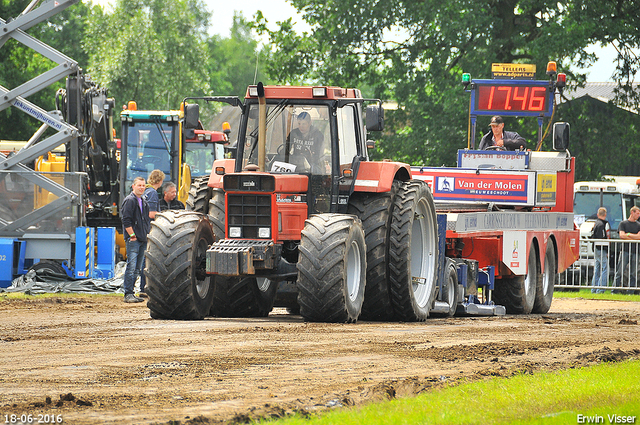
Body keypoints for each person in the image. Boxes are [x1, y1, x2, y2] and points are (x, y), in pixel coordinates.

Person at [120, 177, 151, 303]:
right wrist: (132, 235)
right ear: (133, 186)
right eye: (139, 185)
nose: (142, 187)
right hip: (134, 239)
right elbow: (125, 220)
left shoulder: (143, 201)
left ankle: (132, 292)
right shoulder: (130, 200)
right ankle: (128, 293)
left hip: (142, 238)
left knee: (138, 268)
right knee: (131, 267)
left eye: (143, 185)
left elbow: (146, 220)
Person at [613, 206, 640, 294]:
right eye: (637, 213)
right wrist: (634, 237)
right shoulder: (623, 224)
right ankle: (615, 290)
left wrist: (628, 235)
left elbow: (638, 237)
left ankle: (631, 291)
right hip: (625, 250)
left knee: (633, 273)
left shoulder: (638, 225)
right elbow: (621, 235)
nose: (638, 215)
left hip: (635, 251)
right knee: (620, 271)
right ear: (632, 213)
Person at [590, 207, 610, 294]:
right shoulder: (604, 224)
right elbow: (605, 238)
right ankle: (601, 289)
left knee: (597, 269)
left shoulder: (595, 224)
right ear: (605, 215)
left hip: (596, 248)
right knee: (605, 268)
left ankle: (594, 288)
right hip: (601, 248)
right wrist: (607, 250)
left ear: (598, 214)